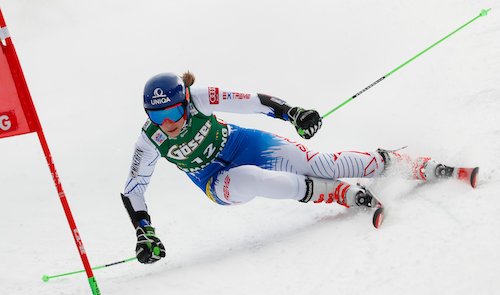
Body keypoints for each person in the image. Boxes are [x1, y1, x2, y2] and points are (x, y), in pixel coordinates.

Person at [121, 71, 479, 264]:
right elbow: (133, 189)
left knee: (316, 162)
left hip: (243, 142)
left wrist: (292, 113)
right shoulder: (149, 139)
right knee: (255, 180)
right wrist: (144, 231)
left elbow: (253, 102)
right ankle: (338, 193)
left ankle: (403, 164)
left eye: (173, 111)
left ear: (185, 99)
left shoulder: (200, 98)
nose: (168, 121)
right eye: (157, 115)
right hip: (216, 181)